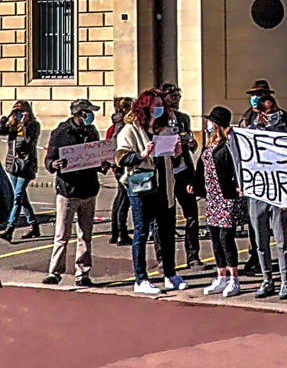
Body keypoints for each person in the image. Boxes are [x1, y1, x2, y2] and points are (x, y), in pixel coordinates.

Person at [114, 88, 188, 295]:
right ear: (145, 107)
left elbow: (172, 160)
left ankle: (170, 274)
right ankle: (141, 278)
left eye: (161, 105)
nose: (159, 109)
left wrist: (177, 153)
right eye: (155, 105)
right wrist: (142, 154)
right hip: (142, 188)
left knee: (166, 233)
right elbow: (121, 158)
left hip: (164, 187)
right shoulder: (130, 130)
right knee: (141, 233)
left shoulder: (164, 130)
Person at [43, 99, 108, 286]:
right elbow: (49, 160)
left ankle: (83, 272)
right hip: (67, 190)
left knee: (85, 234)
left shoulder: (91, 131)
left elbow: (94, 158)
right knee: (62, 234)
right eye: (88, 112)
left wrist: (101, 165)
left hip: (88, 189)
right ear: (80, 114)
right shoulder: (61, 133)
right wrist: (54, 165)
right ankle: (55, 272)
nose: (91, 116)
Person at [242, 91, 287, 299]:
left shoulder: (284, 127)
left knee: (282, 240)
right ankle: (267, 280)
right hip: (257, 190)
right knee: (260, 240)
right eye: (270, 110)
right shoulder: (250, 128)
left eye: (275, 108)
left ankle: (286, 280)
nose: (275, 112)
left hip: (278, 190)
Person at [190, 106, 246, 298]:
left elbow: (237, 167)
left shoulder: (229, 145)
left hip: (226, 197)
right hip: (213, 197)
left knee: (225, 238)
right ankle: (220, 275)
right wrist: (196, 185)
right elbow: (201, 167)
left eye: (211, 122)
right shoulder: (209, 145)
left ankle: (234, 278)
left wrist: (238, 188)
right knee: (214, 237)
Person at [158, 84, 203, 270]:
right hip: (166, 173)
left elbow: (190, 143)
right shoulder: (157, 119)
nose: (176, 99)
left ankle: (193, 256)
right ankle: (163, 259)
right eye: (172, 96)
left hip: (184, 172)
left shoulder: (183, 119)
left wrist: (191, 144)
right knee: (163, 218)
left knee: (192, 214)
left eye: (178, 95)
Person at [1, 100, 42, 241]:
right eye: (17, 111)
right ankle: (34, 226)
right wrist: (8, 116)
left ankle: (9, 229)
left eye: (21, 111)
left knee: (17, 197)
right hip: (13, 164)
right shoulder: (13, 125)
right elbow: (1, 130)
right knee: (22, 198)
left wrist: (24, 123)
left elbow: (29, 141)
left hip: (26, 165)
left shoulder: (34, 125)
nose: (19, 114)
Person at [105, 97, 134, 245]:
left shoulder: (116, 123)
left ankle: (115, 231)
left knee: (120, 198)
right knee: (124, 199)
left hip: (116, 165)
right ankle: (120, 233)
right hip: (121, 165)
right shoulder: (122, 124)